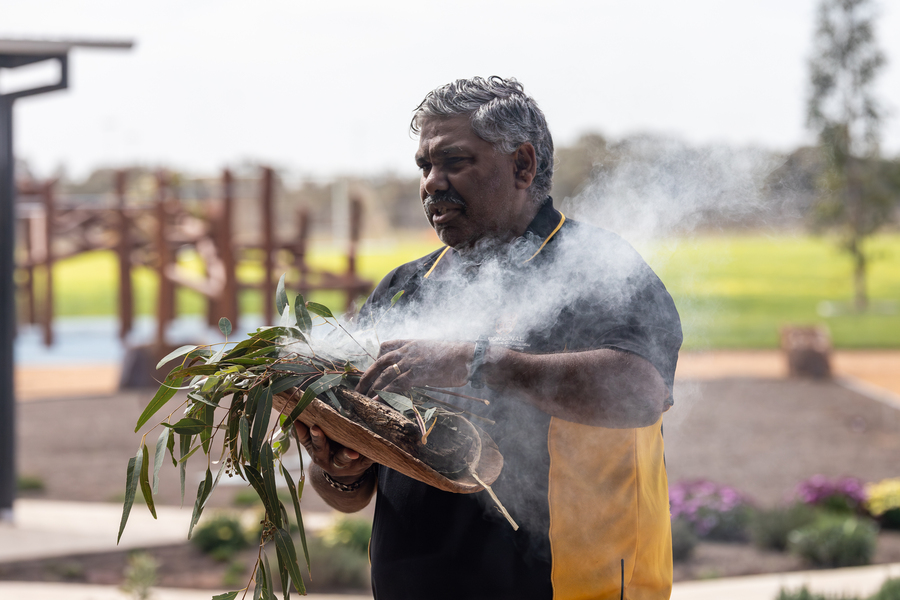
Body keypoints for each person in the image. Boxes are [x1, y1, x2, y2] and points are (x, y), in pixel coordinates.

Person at [294, 76, 683, 600]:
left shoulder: (598, 269)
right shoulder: (403, 289)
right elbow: (348, 492)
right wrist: (338, 465)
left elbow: (642, 392)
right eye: (425, 167)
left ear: (522, 165)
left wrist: (479, 362)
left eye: (454, 162)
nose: (432, 183)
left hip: (568, 585)